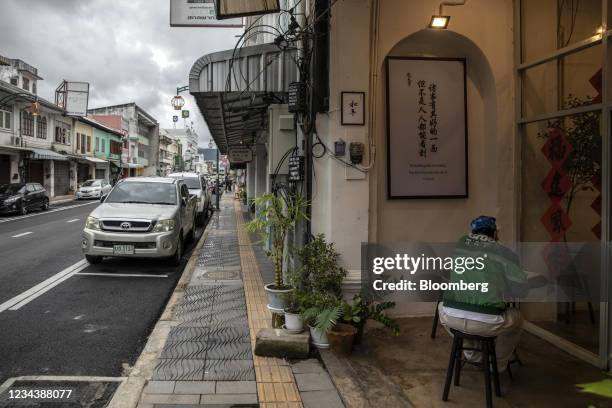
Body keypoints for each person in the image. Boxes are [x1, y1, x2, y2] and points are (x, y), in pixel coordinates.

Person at [438, 216, 529, 370]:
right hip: (487, 321)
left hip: (452, 316)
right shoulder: (503, 251)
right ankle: (496, 364)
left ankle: (473, 355)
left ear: (472, 231)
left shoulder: (460, 243)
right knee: (517, 319)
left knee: (443, 308)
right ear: (494, 234)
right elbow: (521, 289)